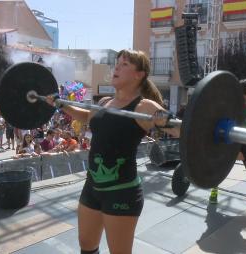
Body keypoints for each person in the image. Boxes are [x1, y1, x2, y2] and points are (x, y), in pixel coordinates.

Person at [47, 49, 179, 253]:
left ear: (139, 74)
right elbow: (86, 116)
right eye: (117, 62)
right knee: (86, 245)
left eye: (125, 64)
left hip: (122, 192)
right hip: (92, 187)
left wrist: (165, 120)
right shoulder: (104, 103)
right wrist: (62, 105)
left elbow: (180, 129)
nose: (117, 66)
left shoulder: (143, 106)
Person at [208, 79, 246, 217]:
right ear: (243, 93)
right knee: (220, 165)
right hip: (230, 136)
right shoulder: (231, 105)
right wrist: (234, 151)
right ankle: (214, 189)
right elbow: (217, 125)